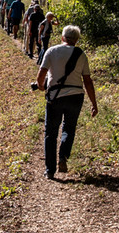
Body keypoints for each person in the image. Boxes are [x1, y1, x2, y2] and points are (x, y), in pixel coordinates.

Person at [35, 24, 97, 180]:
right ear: (76, 40)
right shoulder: (81, 54)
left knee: (50, 133)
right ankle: (63, 156)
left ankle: (50, 170)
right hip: (76, 96)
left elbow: (41, 75)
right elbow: (88, 81)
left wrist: (42, 87)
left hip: (55, 97)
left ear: (63, 37)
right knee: (69, 128)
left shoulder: (52, 51)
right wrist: (94, 103)